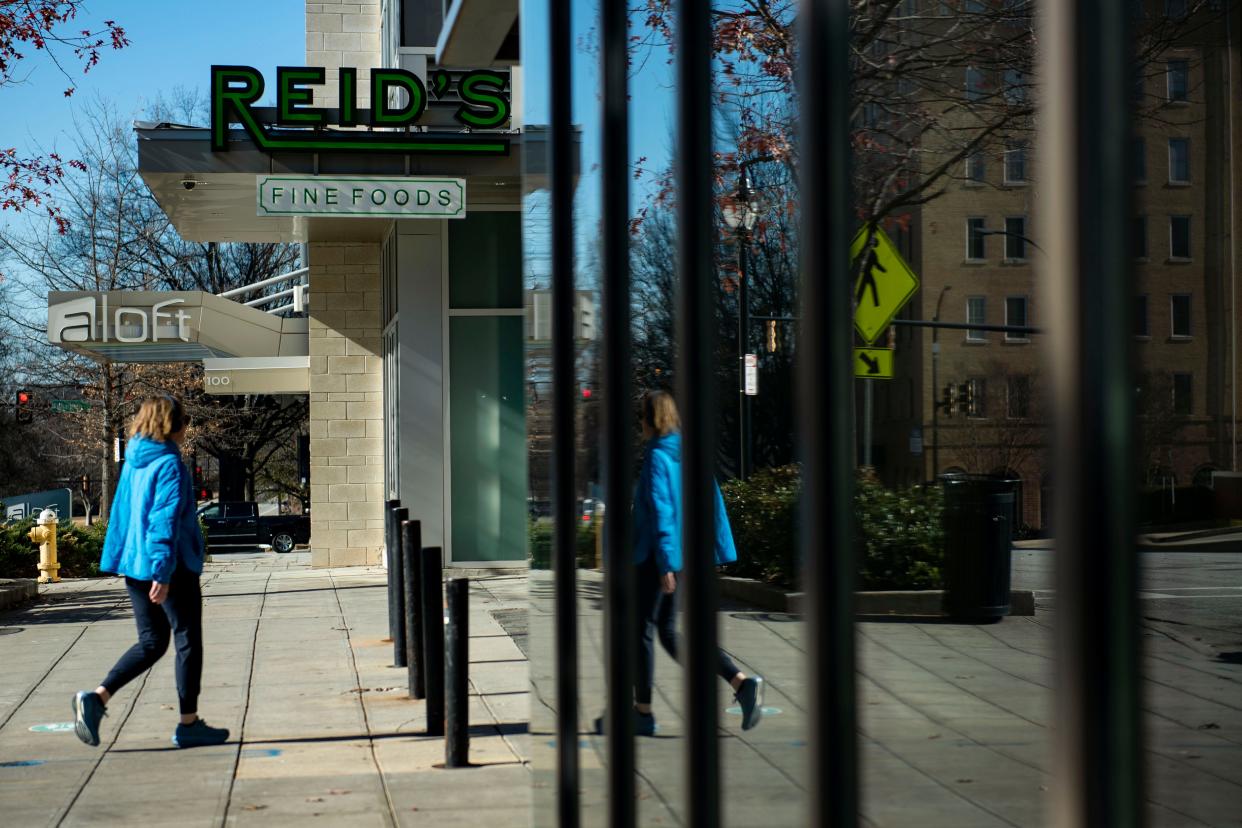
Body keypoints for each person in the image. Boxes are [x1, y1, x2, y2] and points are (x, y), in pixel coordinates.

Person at [601, 389, 764, 737]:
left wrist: (665, 564)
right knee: (667, 632)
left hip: (659, 558)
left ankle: (642, 712)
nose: (640, 424)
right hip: (685, 555)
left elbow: (663, 513)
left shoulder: (659, 456)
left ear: (651, 418)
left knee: (642, 631)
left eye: (641, 417)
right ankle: (739, 682)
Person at [72, 396, 228, 749]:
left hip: (136, 567)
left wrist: (137, 564)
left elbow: (123, 517)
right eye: (185, 420)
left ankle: (96, 699)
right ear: (172, 425)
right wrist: (163, 572)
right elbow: (163, 520)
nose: (188, 427)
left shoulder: (135, 462)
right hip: (168, 567)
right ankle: (189, 725)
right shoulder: (170, 463)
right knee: (187, 640)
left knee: (153, 642)